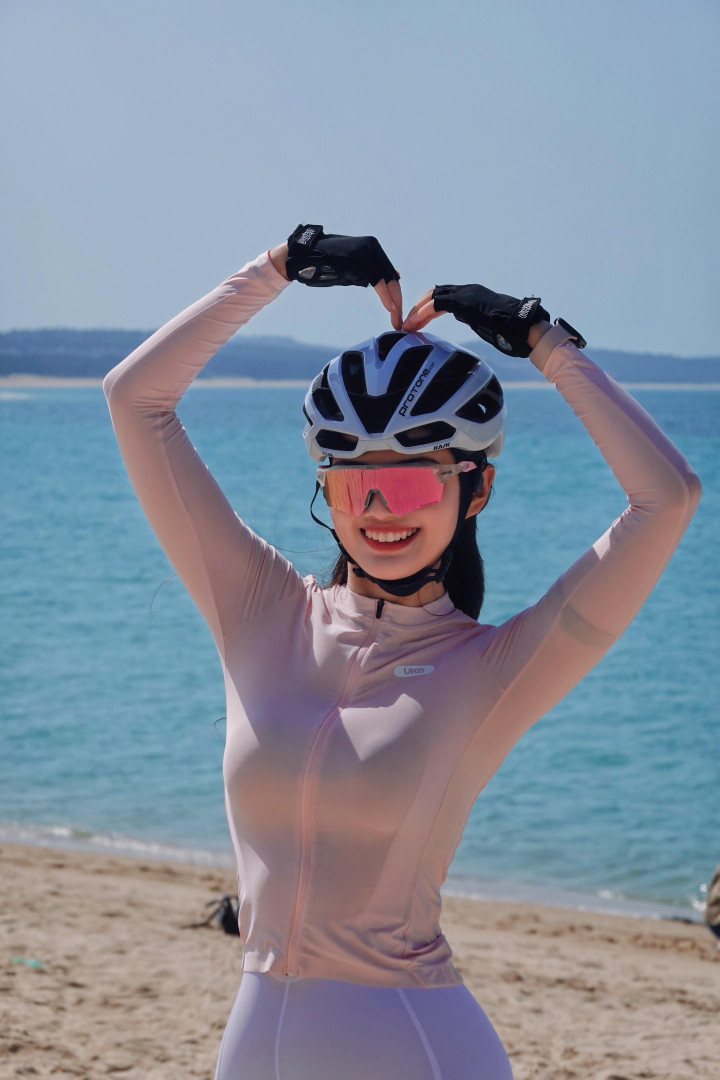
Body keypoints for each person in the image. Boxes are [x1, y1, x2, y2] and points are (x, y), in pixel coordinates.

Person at [103, 225, 701, 1080]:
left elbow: (667, 499)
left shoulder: (491, 672)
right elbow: (134, 399)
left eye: (415, 478)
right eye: (353, 483)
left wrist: (543, 342)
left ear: (476, 487)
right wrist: (282, 265)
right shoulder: (260, 610)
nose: (380, 508)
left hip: (419, 1046)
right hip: (255, 1039)